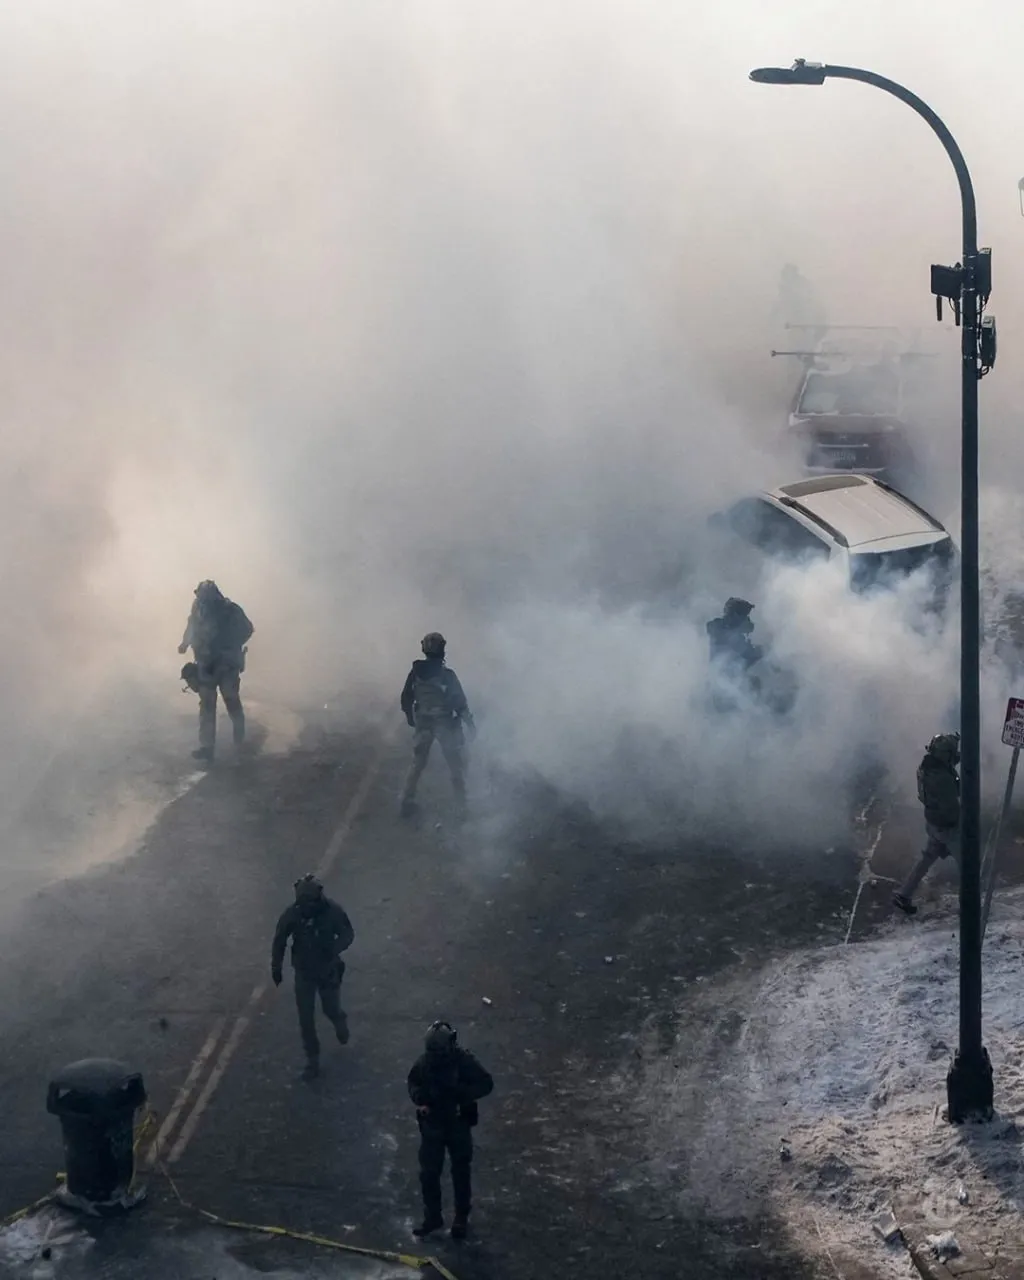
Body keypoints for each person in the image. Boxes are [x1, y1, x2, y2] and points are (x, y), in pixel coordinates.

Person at [407, 1021, 493, 1240]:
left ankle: (460, 1217)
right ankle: (433, 1216)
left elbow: (486, 1083)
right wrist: (420, 1098)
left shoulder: (463, 1061)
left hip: (457, 1123)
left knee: (460, 1171)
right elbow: (413, 1082)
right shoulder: (426, 1062)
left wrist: (461, 1094)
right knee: (429, 1174)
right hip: (433, 1124)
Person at [271, 874, 355, 1080]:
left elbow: (347, 933)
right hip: (304, 973)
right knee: (306, 1019)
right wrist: (276, 966)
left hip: (327, 970)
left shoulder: (332, 911)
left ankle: (339, 1020)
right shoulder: (293, 914)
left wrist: (334, 949)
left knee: (330, 1008)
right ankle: (312, 1059)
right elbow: (280, 939)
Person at [399, 633, 475, 818]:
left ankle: (406, 801)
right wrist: (470, 724)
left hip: (423, 722)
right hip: (444, 723)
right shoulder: (447, 675)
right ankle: (461, 806)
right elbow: (460, 702)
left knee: (417, 763)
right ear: (442, 650)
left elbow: (406, 697)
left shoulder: (415, 672)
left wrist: (410, 717)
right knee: (455, 764)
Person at [178, 580, 254, 763]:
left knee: (231, 700)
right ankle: (207, 747)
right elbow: (191, 627)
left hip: (226, 665)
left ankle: (239, 741)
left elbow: (247, 629)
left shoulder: (230, 610)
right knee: (207, 705)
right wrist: (185, 644)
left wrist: (231, 645)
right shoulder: (198, 609)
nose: (202, 599)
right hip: (206, 663)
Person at [893, 732, 961, 916]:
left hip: (933, 822)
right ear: (945, 754)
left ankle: (904, 894)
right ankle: (969, 905)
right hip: (947, 827)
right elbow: (952, 807)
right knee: (968, 864)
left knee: (926, 859)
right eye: (952, 752)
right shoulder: (942, 778)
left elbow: (948, 763)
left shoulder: (927, 767)